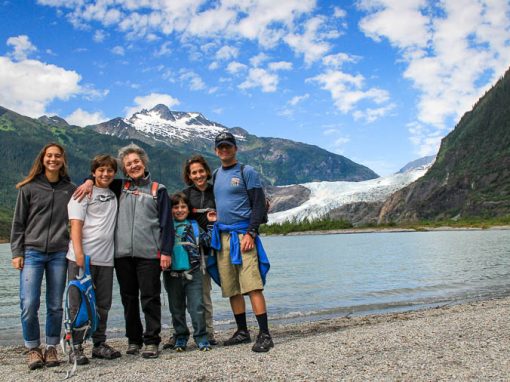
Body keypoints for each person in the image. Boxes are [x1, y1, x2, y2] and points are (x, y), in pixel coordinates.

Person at [74, 143, 173, 359]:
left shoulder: (159, 189)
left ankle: (151, 340)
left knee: (150, 297)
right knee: (128, 299)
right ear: (124, 169)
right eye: (128, 164)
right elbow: (100, 177)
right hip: (121, 255)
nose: (133, 165)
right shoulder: (119, 186)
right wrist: (89, 181)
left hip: (149, 254)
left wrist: (166, 252)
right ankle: (134, 340)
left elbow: (167, 224)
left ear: (144, 162)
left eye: (136, 161)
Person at [10, 143, 76, 370]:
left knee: (56, 305)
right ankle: (33, 348)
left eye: (57, 156)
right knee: (29, 303)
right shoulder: (28, 188)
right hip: (32, 251)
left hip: (59, 253)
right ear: (43, 158)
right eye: (49, 155)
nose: (53, 159)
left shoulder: (70, 189)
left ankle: (51, 347)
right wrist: (17, 252)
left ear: (63, 160)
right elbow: (18, 224)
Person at [209, 132, 273, 352]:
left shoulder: (247, 172)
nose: (224, 150)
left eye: (228, 146)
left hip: (243, 236)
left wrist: (251, 233)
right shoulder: (216, 174)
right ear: (216, 150)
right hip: (223, 237)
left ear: (235, 148)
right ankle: (242, 331)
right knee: (232, 287)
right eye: (220, 147)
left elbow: (258, 204)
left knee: (253, 285)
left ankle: (264, 334)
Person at [66, 154, 121, 365]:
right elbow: (76, 225)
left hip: (106, 259)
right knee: (78, 304)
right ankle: (75, 347)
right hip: (82, 258)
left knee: (103, 304)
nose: (105, 174)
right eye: (101, 170)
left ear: (114, 173)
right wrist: (79, 254)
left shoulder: (115, 192)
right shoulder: (82, 193)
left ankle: (99, 344)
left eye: (109, 170)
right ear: (93, 172)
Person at [163, 192, 216, 352]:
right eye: (175, 207)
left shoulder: (194, 226)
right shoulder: (166, 227)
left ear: (188, 209)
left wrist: (212, 223)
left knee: (197, 306)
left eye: (183, 206)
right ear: (170, 210)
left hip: (194, 272)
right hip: (172, 274)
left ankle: (201, 337)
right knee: (176, 308)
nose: (179, 210)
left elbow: (209, 241)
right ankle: (180, 337)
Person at [182, 155, 217, 345]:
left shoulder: (216, 191)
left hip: (213, 249)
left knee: (205, 293)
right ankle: (186, 332)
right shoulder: (186, 195)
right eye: (194, 172)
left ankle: (209, 332)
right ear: (189, 175)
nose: (198, 175)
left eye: (201, 171)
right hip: (192, 252)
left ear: (207, 171)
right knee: (191, 294)